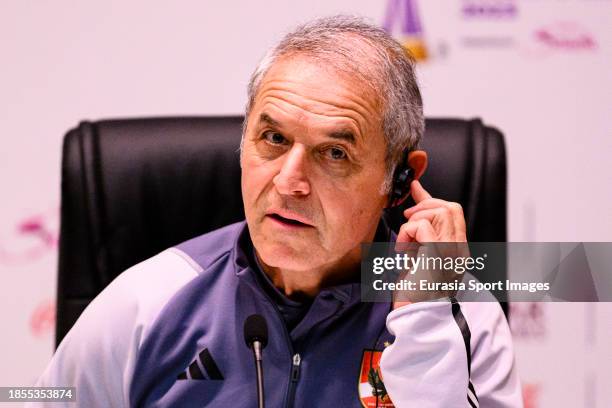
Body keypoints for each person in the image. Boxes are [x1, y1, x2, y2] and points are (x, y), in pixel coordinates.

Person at [32, 16, 522, 407]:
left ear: (397, 181)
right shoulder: (146, 301)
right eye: (273, 139)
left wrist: (426, 324)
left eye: (334, 153)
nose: (289, 182)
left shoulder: (460, 312)